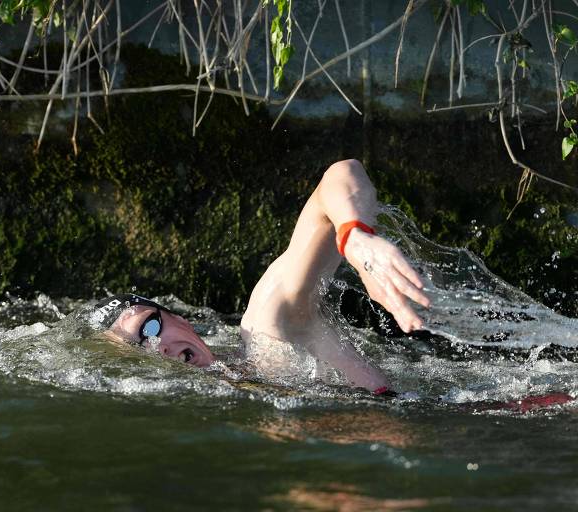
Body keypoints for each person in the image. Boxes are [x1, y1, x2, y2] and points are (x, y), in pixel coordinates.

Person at [90, 159, 431, 394]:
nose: (157, 348)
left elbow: (340, 174)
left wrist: (355, 237)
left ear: (178, 318)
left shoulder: (269, 332)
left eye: (150, 327)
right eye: (137, 351)